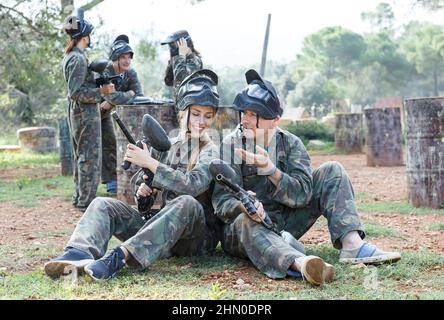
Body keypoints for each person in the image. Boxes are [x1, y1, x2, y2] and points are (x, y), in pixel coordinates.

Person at [212, 69, 401, 286]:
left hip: (283, 223)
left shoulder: (291, 144)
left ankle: (352, 245)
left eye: (253, 115)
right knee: (246, 221)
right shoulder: (230, 146)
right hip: (244, 230)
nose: (245, 119)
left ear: (274, 120)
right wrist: (245, 205)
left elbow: (303, 194)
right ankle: (302, 264)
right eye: (243, 113)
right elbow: (221, 203)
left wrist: (272, 171)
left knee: (332, 169)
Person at [44, 69, 223, 281]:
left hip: (193, 241)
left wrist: (152, 164)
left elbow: (192, 185)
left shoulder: (211, 151)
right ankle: (78, 253)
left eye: (208, 116)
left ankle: (119, 257)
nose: (202, 121)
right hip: (160, 233)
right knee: (103, 204)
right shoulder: (168, 145)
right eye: (196, 113)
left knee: (187, 202)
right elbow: (143, 190)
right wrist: (143, 193)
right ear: (183, 112)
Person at [62, 9, 116, 211]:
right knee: (89, 157)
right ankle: (85, 202)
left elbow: (80, 87)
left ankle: (80, 198)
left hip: (81, 113)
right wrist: (101, 91)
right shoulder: (76, 58)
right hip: (84, 113)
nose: (90, 38)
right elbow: (76, 92)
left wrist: (98, 82)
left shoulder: (76, 56)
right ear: (84, 36)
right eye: (89, 35)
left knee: (82, 156)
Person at [98, 34, 144, 194]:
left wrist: (115, 100)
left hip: (114, 113)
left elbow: (139, 95)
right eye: (123, 57)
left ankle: (115, 181)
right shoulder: (105, 71)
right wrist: (126, 95)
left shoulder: (131, 73)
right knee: (104, 146)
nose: (127, 60)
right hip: (96, 113)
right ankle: (109, 181)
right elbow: (110, 95)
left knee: (114, 143)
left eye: (129, 57)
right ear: (115, 58)